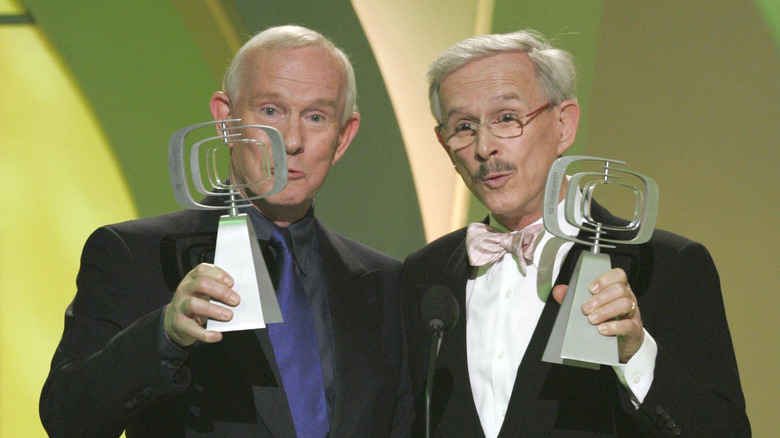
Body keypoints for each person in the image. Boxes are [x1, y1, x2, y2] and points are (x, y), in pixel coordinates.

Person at [40, 25, 412, 437]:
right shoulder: (138, 254)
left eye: (316, 117)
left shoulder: (387, 284)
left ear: (343, 138)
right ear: (225, 119)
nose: (290, 141)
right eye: (270, 111)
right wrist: (164, 334)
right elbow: (66, 416)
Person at [402, 30, 750, 437]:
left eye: (507, 119)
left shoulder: (661, 265)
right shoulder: (422, 275)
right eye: (464, 126)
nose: (484, 148)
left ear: (564, 125)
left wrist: (635, 354)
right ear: (445, 145)